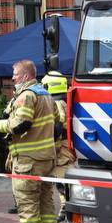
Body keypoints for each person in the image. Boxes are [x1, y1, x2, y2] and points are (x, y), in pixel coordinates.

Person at [0, 60, 58, 223]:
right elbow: (58, 127)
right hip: (47, 159)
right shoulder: (46, 95)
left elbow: (21, 124)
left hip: (28, 161)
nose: (13, 78)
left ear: (26, 76)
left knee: (27, 202)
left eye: (16, 75)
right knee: (45, 202)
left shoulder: (26, 96)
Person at [41, 69, 75, 207]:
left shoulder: (57, 103)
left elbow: (59, 125)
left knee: (62, 182)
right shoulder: (64, 100)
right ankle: (65, 210)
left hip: (62, 149)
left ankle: (67, 210)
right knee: (62, 181)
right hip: (65, 147)